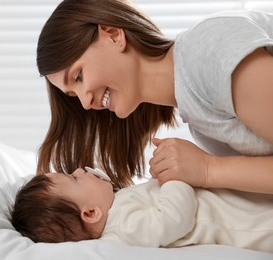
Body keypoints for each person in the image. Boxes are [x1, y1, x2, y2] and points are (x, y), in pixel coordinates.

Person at [35, 0, 273, 193]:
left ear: (112, 35)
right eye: (73, 95)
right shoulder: (196, 110)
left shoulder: (207, 52)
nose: (85, 103)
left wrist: (208, 170)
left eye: (78, 76)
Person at [8, 168, 273, 252]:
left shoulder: (119, 206)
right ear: (91, 213)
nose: (79, 169)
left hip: (236, 202)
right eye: (74, 178)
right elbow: (173, 219)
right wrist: (175, 177)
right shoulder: (124, 229)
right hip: (250, 223)